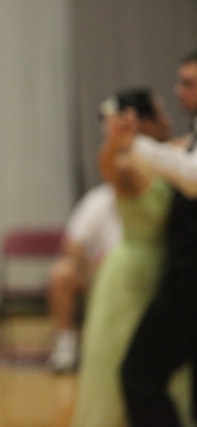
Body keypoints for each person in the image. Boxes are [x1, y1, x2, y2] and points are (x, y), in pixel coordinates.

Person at [70, 88, 194, 427]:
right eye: (161, 110)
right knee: (128, 358)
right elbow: (108, 165)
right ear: (145, 122)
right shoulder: (128, 162)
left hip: (164, 266)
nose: (169, 117)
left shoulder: (171, 152)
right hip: (135, 270)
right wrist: (117, 139)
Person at [120, 49, 197, 427]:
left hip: (189, 281)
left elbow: (194, 179)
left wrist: (134, 145)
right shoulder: (187, 138)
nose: (179, 90)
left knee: (139, 375)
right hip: (183, 274)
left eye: (189, 82)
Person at [46, 181, 120, 372]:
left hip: (137, 272)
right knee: (61, 273)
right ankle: (65, 347)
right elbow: (72, 243)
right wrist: (92, 263)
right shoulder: (98, 200)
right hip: (97, 272)